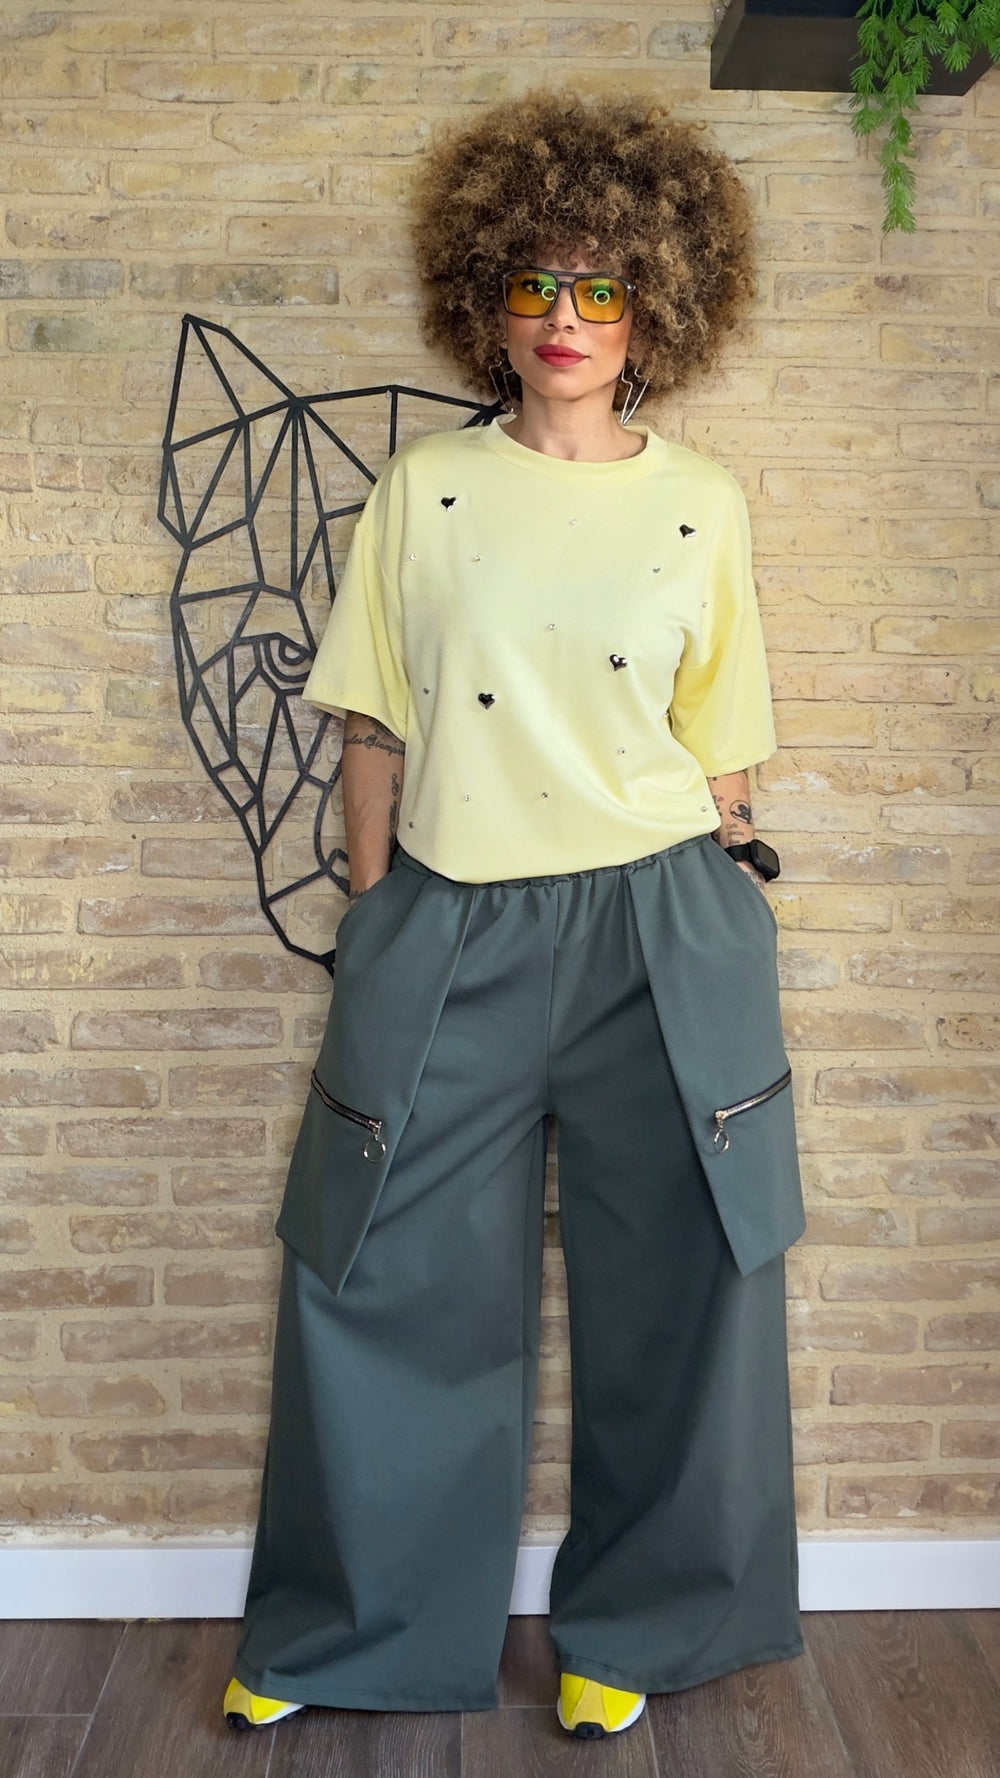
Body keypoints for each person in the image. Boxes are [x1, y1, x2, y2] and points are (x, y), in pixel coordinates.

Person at [223, 88, 807, 1741]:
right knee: (374, 1269)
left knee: (690, 1278)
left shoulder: (702, 500)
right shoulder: (424, 489)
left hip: (659, 923)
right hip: (452, 915)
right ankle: (350, 1629)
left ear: (655, 309)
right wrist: (373, 924)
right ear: (485, 296)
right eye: (535, 282)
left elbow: (723, 743)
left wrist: (732, 894)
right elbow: (373, 725)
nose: (564, 316)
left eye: (600, 286)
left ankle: (641, 1627)